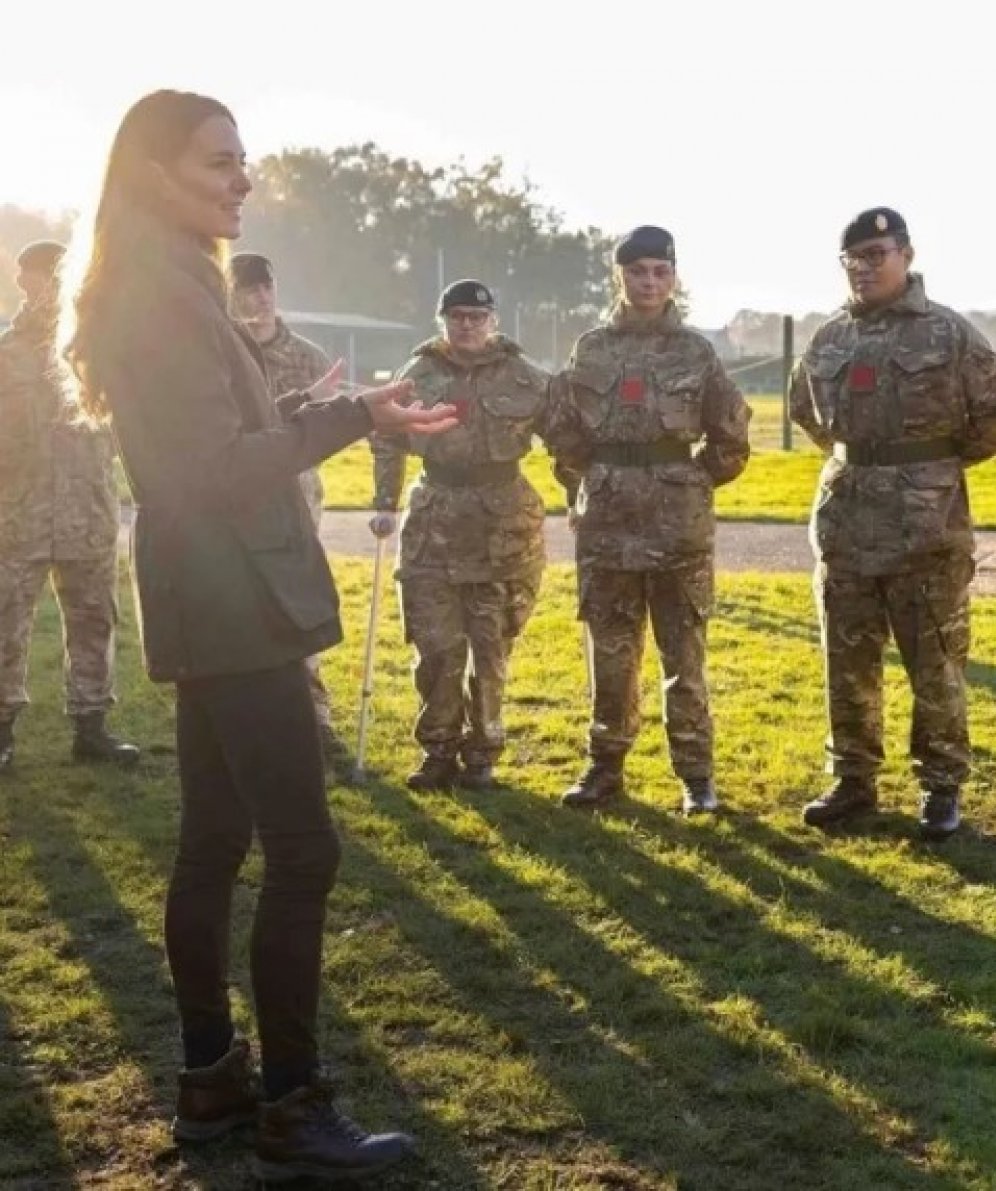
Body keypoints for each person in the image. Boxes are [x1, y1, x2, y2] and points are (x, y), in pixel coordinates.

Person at [58, 90, 457, 1180]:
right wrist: (354, 418)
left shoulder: (172, 281)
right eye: (219, 161)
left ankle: (211, 1079)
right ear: (155, 174)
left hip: (213, 596)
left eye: (245, 159)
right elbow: (216, 469)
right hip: (232, 603)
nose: (243, 180)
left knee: (212, 844)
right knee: (303, 848)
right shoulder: (162, 295)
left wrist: (346, 409)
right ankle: (292, 1107)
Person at [791, 207, 996, 840]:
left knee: (936, 663)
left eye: (877, 254)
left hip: (927, 531)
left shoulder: (949, 334)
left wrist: (929, 469)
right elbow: (804, 410)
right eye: (854, 258)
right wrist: (862, 462)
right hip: (847, 525)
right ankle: (853, 781)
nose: (865, 267)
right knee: (848, 660)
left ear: (907, 255)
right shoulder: (829, 338)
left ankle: (941, 787)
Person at [543, 226, 751, 815]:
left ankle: (696, 776)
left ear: (673, 277)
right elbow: (562, 426)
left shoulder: (694, 351)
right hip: (607, 522)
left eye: (661, 272)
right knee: (612, 653)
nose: (650, 283)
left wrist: (690, 480)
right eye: (639, 272)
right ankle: (605, 768)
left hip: (675, 527)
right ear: (621, 276)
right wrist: (595, 477)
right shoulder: (591, 348)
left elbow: (730, 431)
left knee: (682, 657)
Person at [369, 280, 551, 791]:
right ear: (442, 320)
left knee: (491, 649)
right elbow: (386, 435)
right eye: (456, 317)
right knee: (436, 647)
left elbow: (566, 434)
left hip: (504, 526)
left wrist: (582, 493)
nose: (466, 325)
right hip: (434, 523)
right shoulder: (418, 372)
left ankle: (484, 753)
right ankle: (438, 750)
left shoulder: (526, 375)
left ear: (493, 320)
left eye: (476, 316)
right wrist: (385, 500)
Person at [0, 240, 138, 771]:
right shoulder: (7, 355)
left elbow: (133, 428)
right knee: (6, 623)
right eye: (40, 279)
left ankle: (92, 727)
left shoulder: (98, 355)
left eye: (61, 278)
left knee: (94, 621)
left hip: (87, 514)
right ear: (23, 283)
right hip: (19, 516)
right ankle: (2, 732)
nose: (50, 290)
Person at [230, 251, 348, 767]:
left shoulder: (306, 356)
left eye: (265, 286)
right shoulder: (222, 354)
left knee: (296, 601)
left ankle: (314, 717)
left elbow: (327, 430)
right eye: (247, 287)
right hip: (235, 497)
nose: (259, 296)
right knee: (239, 602)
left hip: (295, 497)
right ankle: (249, 719)